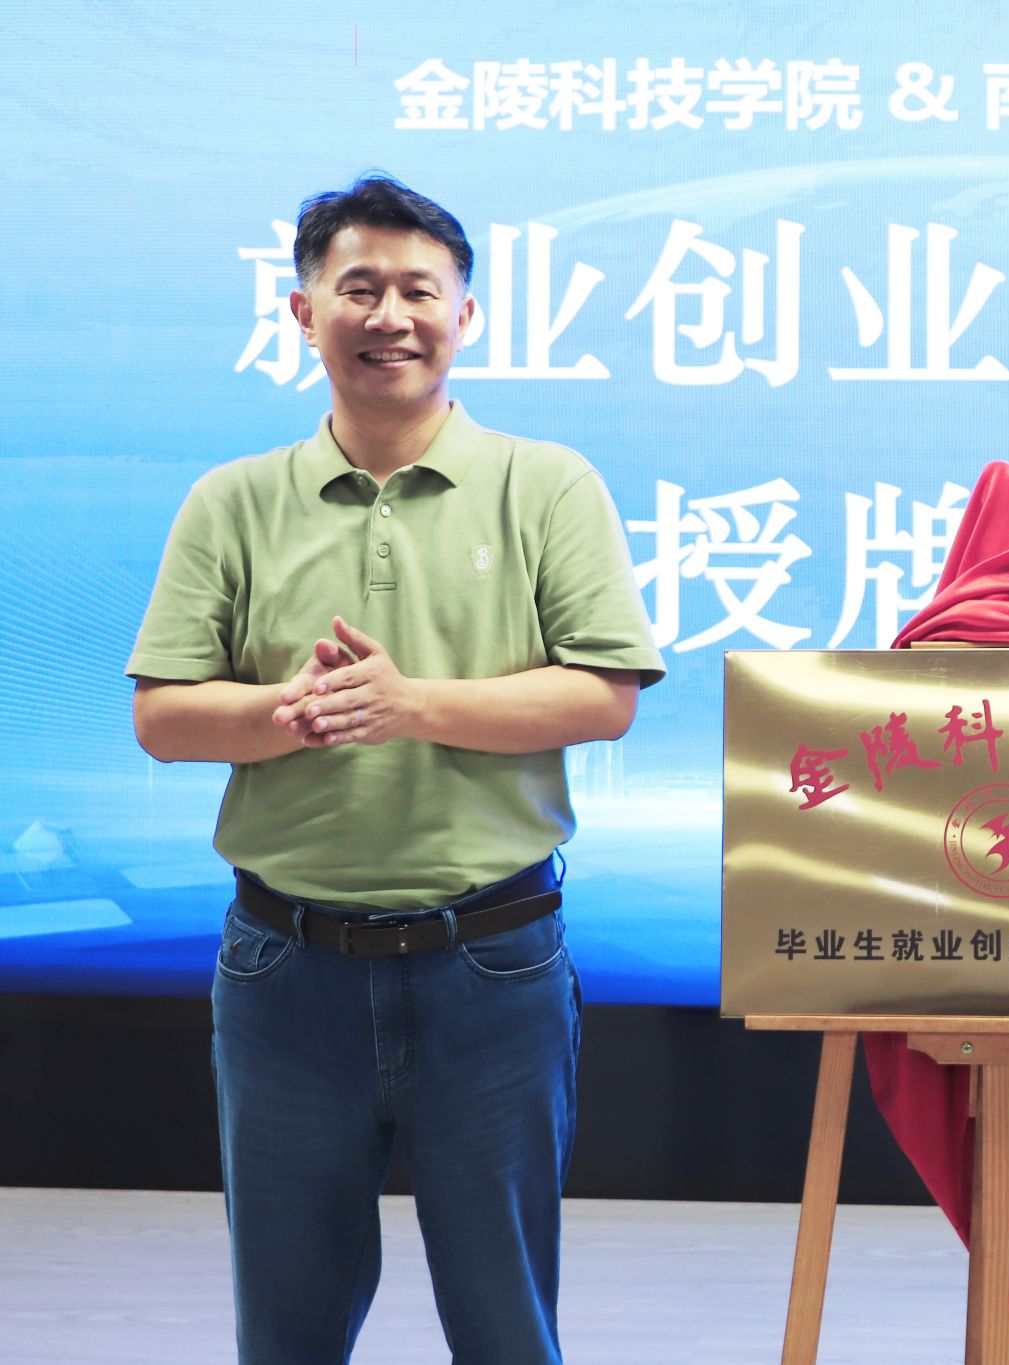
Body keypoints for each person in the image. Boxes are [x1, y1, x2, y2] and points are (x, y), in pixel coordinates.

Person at [127, 175, 663, 1364]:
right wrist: (288, 713)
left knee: (505, 1323)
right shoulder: (232, 502)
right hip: (283, 969)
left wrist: (409, 703)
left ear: (463, 315)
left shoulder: (544, 483)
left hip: (492, 962)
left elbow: (605, 696)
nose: (389, 316)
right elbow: (163, 717)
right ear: (301, 311)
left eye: (419, 291)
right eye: (357, 287)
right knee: (287, 1325)